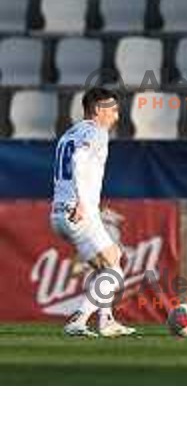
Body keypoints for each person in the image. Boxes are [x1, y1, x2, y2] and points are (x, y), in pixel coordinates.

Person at [50, 87, 135, 338]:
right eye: (113, 110)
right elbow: (78, 161)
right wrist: (80, 202)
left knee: (109, 262)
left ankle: (106, 320)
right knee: (114, 270)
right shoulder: (96, 132)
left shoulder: (69, 133)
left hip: (59, 211)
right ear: (98, 110)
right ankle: (79, 318)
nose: (117, 116)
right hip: (79, 211)